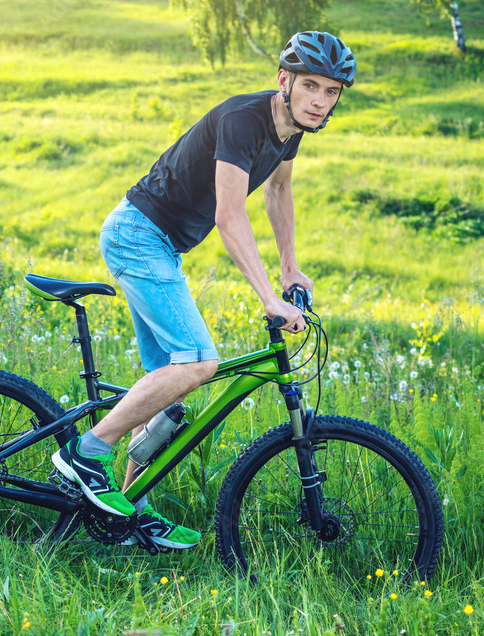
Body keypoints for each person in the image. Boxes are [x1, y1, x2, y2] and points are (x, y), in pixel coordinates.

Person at [52, 31, 357, 549]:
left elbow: (279, 188)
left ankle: (129, 513)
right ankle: (86, 453)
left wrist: (290, 269)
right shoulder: (244, 120)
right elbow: (229, 215)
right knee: (198, 362)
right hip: (138, 235)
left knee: (167, 389)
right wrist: (269, 298)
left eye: (331, 92)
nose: (319, 101)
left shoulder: (291, 130)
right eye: (310, 86)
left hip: (161, 246)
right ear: (284, 80)